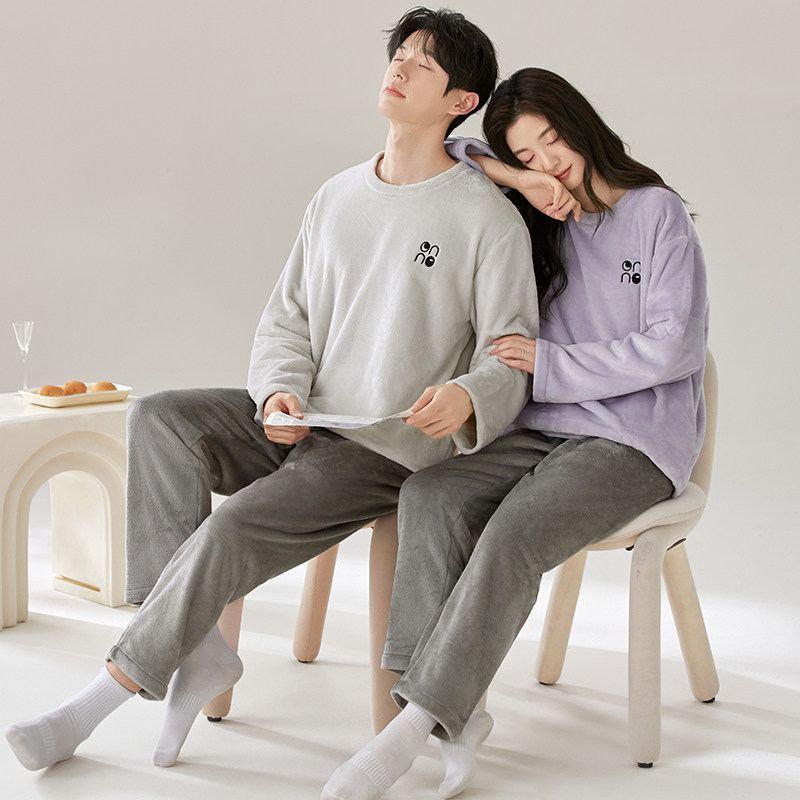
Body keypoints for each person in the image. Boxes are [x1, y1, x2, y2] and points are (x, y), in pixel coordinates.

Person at [4, 8, 541, 775]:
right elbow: (287, 320)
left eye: (423, 64)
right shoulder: (337, 196)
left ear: (462, 100)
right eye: (400, 54)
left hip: (379, 445)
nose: (399, 67)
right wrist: (277, 395)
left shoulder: (486, 218)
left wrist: (467, 395)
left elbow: (510, 358)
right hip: (302, 422)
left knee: (231, 527)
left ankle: (92, 704)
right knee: (160, 418)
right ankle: (199, 647)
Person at [321, 67, 709, 800]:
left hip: (634, 441)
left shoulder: (655, 213)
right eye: (528, 154)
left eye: (553, 140)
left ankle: (412, 728)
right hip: (545, 426)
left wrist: (553, 363)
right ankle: (450, 716)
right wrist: (522, 180)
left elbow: (674, 349)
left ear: (581, 123)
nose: (549, 162)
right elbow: (455, 151)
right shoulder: (540, 213)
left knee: (514, 532)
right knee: (430, 494)